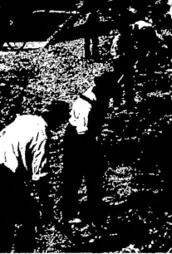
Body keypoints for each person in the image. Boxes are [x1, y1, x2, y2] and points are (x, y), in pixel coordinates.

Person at [0, 101, 69, 252]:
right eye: (61, 121)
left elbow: (1, 135)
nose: (60, 126)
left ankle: (4, 249)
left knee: (8, 217)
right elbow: (39, 175)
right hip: (7, 177)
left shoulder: (25, 118)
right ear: (56, 119)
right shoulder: (42, 137)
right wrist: (46, 204)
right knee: (28, 216)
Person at [60, 72, 118, 227]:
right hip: (77, 141)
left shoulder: (102, 96)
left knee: (95, 175)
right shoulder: (85, 104)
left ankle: (95, 208)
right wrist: (96, 149)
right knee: (74, 176)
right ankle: (69, 213)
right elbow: (82, 132)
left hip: (89, 137)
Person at [111, 25, 136, 107]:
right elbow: (117, 53)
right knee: (121, 82)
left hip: (123, 61)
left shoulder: (126, 38)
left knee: (128, 82)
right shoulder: (120, 39)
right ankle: (117, 102)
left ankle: (128, 100)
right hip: (121, 62)